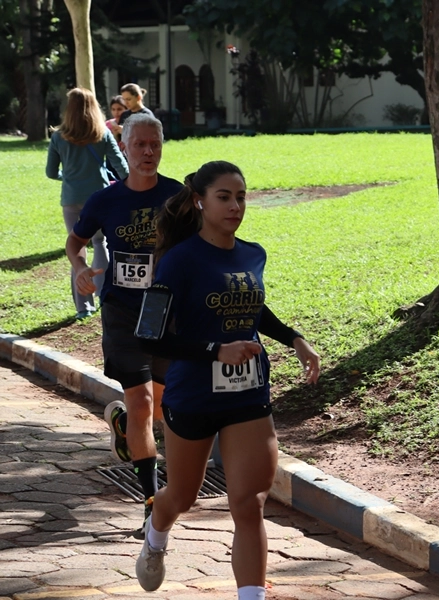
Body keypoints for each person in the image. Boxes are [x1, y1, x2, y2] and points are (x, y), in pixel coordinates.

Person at [133, 160, 321, 598]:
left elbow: (252, 307)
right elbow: (150, 337)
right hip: (193, 396)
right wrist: (216, 351)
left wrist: (294, 339)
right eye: (224, 197)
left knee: (249, 503)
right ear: (199, 201)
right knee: (181, 496)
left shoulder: (252, 253)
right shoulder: (179, 261)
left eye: (241, 197)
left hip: (248, 393)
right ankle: (155, 534)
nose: (236, 206)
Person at [65, 113, 182, 536]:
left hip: (162, 310)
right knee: (142, 406)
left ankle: (123, 429)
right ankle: (152, 506)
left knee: (160, 405)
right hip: (121, 309)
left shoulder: (177, 196)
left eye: (155, 144)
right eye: (140, 145)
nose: (148, 152)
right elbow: (75, 241)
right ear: (125, 149)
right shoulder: (105, 200)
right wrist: (79, 267)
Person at [47, 88, 128, 319]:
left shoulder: (58, 137)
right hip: (100, 198)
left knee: (77, 249)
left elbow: (51, 172)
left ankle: (84, 307)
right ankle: (104, 296)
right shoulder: (102, 133)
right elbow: (121, 168)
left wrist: (69, 177)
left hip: (71, 199)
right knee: (101, 243)